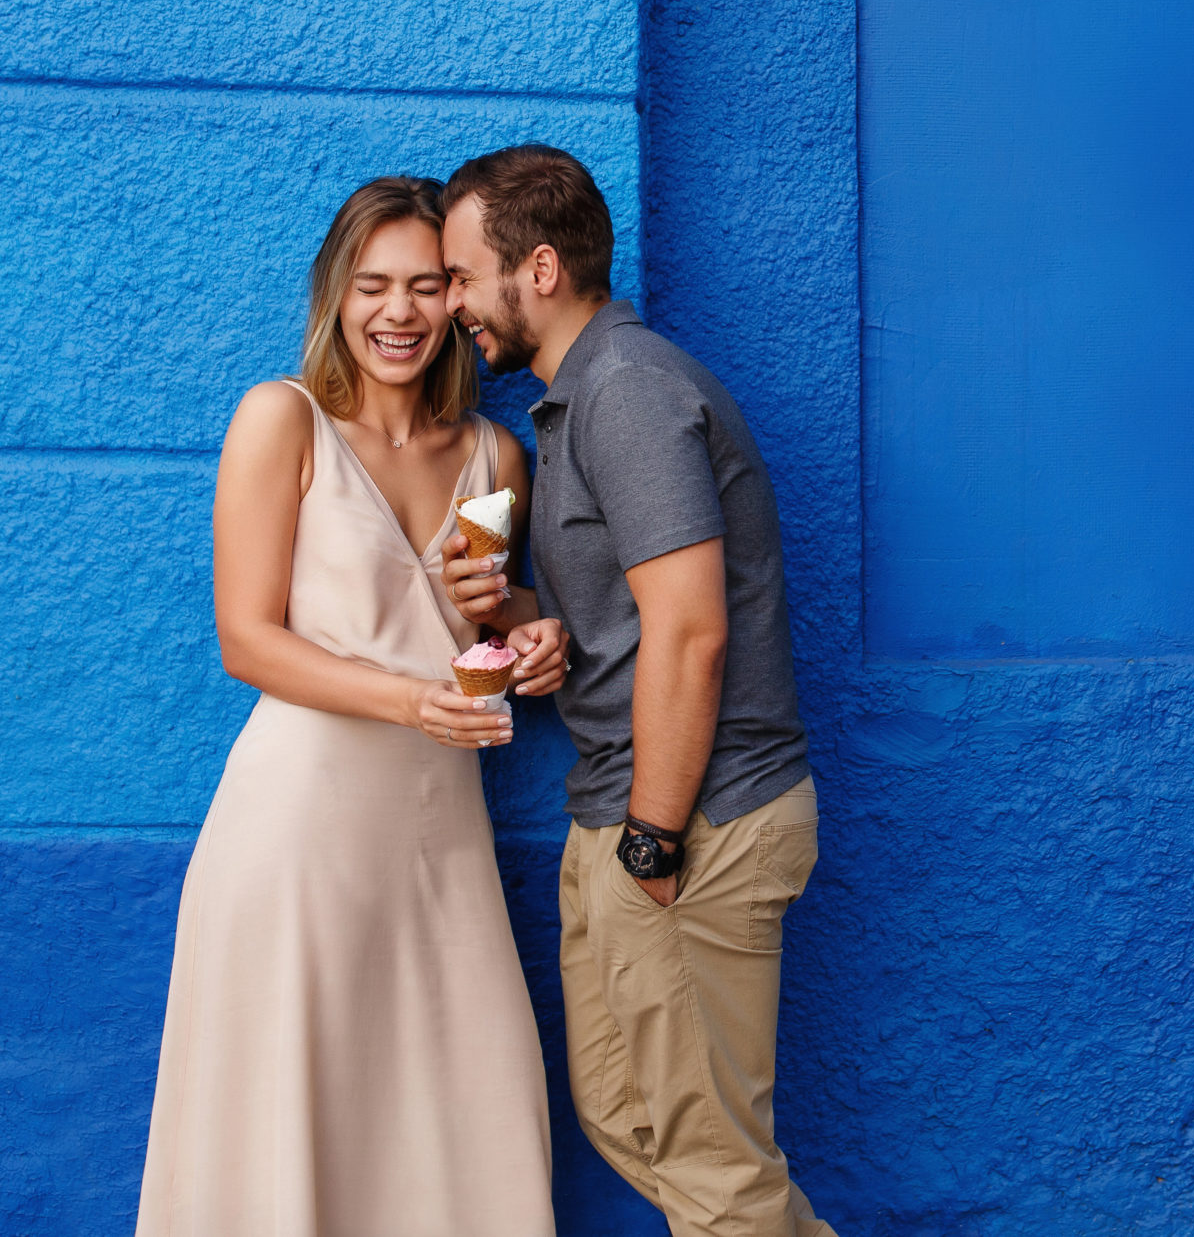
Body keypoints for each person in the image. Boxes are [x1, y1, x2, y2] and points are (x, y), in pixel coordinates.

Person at [138, 176, 570, 1237]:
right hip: (295, 827)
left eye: (427, 287)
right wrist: (415, 699)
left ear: (456, 302)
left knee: (461, 1116)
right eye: (373, 286)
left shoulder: (488, 455)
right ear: (337, 296)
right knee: (285, 1114)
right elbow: (248, 639)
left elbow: (472, 621)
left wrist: (532, 632)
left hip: (436, 836)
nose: (399, 312)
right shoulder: (280, 421)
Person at [436, 145, 836, 1237]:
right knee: (626, 1117)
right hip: (623, 813)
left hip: (689, 825)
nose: (453, 303)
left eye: (464, 275)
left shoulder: (629, 394)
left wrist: (653, 844)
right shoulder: (572, 408)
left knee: (712, 1171)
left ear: (543, 269)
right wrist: (518, 618)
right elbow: (626, 627)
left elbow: (691, 631)